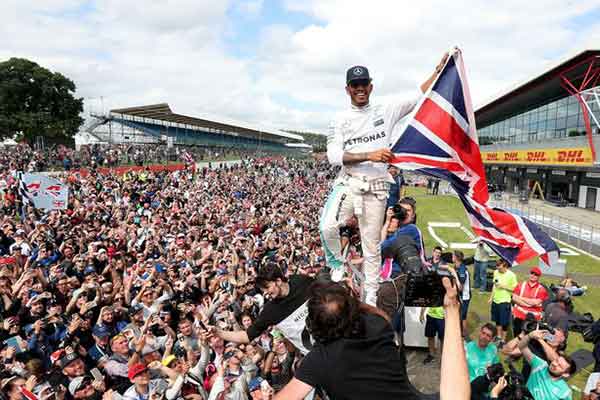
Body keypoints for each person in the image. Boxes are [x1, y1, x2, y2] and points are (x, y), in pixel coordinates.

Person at [320, 54, 448, 306]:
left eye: (363, 84)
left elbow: (416, 97)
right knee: (327, 226)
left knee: (371, 249)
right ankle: (336, 262)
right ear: (347, 89)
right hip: (349, 182)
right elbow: (334, 156)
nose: (359, 89)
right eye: (354, 85)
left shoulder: (385, 109)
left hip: (376, 189)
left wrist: (439, 72)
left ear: (370, 86)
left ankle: (371, 297)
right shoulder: (339, 119)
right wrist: (371, 155)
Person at [273, 278, 470, 400]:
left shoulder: (317, 361)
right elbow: (377, 314)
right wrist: (451, 308)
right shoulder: (376, 325)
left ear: (313, 326)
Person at [211, 262, 315, 355]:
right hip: (315, 355)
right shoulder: (270, 311)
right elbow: (246, 336)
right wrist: (218, 332)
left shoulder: (302, 281)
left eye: (267, 287)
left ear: (278, 281)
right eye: (262, 290)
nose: (265, 293)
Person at [518, 329, 576, 400]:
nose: (555, 364)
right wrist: (530, 335)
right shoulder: (540, 365)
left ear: (565, 374)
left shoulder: (565, 392)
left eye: (560, 366)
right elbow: (522, 347)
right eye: (556, 361)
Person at [511, 267, 549, 337]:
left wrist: (520, 298)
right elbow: (514, 298)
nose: (533, 275)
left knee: (528, 338)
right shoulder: (521, 285)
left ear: (538, 277)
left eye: (536, 274)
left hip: (532, 318)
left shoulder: (541, 289)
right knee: (516, 335)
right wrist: (528, 304)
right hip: (519, 315)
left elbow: (535, 302)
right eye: (532, 273)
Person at [489, 259, 517, 344]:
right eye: (497, 267)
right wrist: (491, 297)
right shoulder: (496, 272)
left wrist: (504, 286)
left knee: (504, 322)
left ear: (505, 266)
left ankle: (503, 340)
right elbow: (495, 285)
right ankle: (498, 336)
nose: (498, 269)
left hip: (505, 301)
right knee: (497, 320)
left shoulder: (512, 275)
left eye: (500, 268)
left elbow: (515, 289)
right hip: (496, 300)